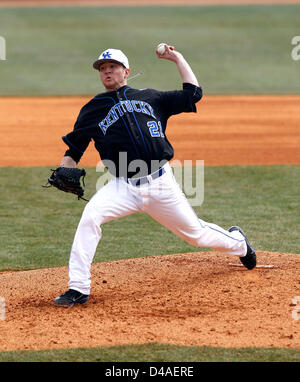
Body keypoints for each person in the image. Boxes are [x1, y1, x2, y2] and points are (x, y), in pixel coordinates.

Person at [54, 45, 256, 307]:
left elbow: (192, 94)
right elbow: (75, 149)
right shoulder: (92, 109)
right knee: (91, 216)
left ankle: (239, 243)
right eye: (103, 68)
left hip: (160, 183)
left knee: (195, 234)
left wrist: (177, 58)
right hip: (122, 187)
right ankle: (78, 288)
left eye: (112, 67)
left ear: (126, 72)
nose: (107, 72)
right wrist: (63, 168)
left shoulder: (150, 97)